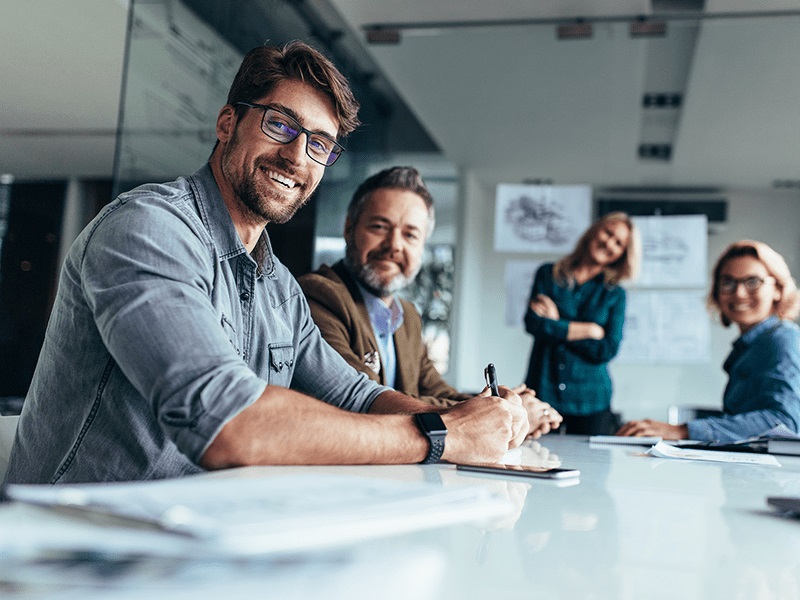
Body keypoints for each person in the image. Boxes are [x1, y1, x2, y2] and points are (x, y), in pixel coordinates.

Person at [4, 42, 529, 485]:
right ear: (228, 122)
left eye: (319, 144)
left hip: (193, 539)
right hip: (72, 554)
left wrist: (467, 419)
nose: (298, 157)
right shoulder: (148, 227)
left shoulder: (278, 285)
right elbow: (227, 422)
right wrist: (441, 436)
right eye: (281, 125)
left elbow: (356, 394)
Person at [299, 167, 562, 438]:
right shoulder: (320, 296)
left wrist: (502, 406)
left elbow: (435, 390)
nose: (394, 245)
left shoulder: (407, 316)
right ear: (349, 228)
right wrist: (503, 413)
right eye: (379, 227)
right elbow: (366, 399)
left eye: (410, 234)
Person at [617, 240, 800, 442]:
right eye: (728, 282)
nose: (739, 293)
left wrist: (683, 431)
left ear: (777, 289)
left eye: (753, 281)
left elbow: (785, 422)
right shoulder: (752, 345)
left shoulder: (782, 340)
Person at [523, 212, 640, 435]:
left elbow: (606, 349)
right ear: (595, 230)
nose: (609, 243)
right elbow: (534, 324)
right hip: (543, 390)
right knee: (535, 460)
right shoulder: (548, 274)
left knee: (592, 467)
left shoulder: (615, 294)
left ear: (623, 254)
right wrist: (588, 330)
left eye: (619, 243)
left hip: (591, 400)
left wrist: (556, 323)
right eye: (608, 233)